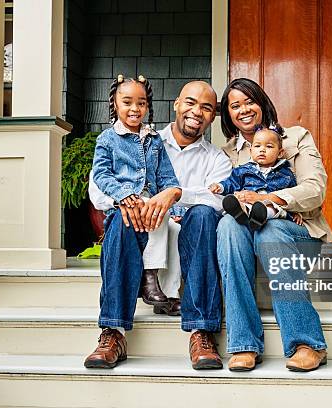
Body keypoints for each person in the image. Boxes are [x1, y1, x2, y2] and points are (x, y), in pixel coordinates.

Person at [88, 80, 232, 370]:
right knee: (122, 216)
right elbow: (97, 190)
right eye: (190, 102)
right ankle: (113, 332)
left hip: (191, 232)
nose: (196, 111)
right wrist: (128, 202)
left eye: (206, 107)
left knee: (203, 214)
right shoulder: (143, 139)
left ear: (213, 116)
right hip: (140, 225)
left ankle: (201, 331)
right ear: (176, 104)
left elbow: (220, 201)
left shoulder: (217, 158)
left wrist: (176, 196)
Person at [217, 78, 332, 372]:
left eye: (249, 101)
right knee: (228, 227)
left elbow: (315, 188)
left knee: (271, 229)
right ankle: (243, 344)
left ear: (262, 103)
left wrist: (271, 199)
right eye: (235, 105)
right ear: (228, 114)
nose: (243, 109)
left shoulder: (296, 138)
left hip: (297, 233)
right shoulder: (227, 153)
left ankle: (307, 343)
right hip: (246, 239)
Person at [84, 74, 182, 369]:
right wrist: (124, 196)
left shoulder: (154, 141)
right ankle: (112, 330)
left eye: (141, 103)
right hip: (123, 208)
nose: (135, 108)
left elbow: (168, 179)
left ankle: (150, 277)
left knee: (158, 216)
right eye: (127, 102)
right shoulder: (107, 139)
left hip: (151, 207)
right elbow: (101, 175)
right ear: (114, 103)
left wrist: (166, 198)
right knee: (123, 225)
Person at [209, 124, 299, 230]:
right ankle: (242, 213)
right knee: (243, 203)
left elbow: (293, 194)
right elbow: (232, 183)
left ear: (280, 153)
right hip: (249, 203)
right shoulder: (243, 170)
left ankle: (260, 217)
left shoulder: (286, 174)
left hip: (273, 207)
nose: (262, 150)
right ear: (251, 151)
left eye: (269, 146)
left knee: (271, 208)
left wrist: (296, 212)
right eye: (257, 146)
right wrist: (220, 187)